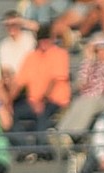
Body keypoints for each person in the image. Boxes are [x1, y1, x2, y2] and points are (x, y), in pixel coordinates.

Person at [7, 24, 72, 156]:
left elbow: (54, 80)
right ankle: (26, 147)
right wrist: (8, 102)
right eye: (41, 39)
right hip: (33, 102)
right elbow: (19, 83)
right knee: (10, 115)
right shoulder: (31, 57)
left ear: (52, 39)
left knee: (42, 113)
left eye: (46, 39)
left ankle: (43, 149)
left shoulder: (60, 54)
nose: (44, 43)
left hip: (55, 101)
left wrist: (42, 100)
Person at [54, 37, 104, 143]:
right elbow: (82, 83)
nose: (101, 52)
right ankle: (61, 133)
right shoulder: (92, 63)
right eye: (98, 50)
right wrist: (88, 60)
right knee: (78, 102)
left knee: (91, 101)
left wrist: (95, 90)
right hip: (88, 96)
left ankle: (73, 134)